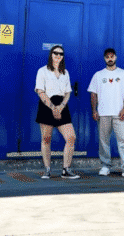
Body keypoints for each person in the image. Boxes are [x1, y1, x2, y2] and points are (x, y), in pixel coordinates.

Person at [88, 48, 124, 179]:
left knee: (123, 140)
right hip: (103, 113)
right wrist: (94, 110)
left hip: (119, 113)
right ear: (104, 58)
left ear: (115, 57)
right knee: (103, 141)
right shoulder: (98, 75)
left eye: (112, 56)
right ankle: (105, 166)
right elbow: (93, 94)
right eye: (107, 57)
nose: (110, 59)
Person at [35, 45, 80, 179]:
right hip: (46, 105)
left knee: (71, 137)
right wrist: (52, 107)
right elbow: (40, 91)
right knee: (46, 138)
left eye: (61, 54)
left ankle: (66, 169)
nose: (58, 56)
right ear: (51, 54)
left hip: (62, 105)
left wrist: (61, 107)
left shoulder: (65, 73)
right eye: (55, 53)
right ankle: (47, 169)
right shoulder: (42, 71)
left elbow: (67, 93)